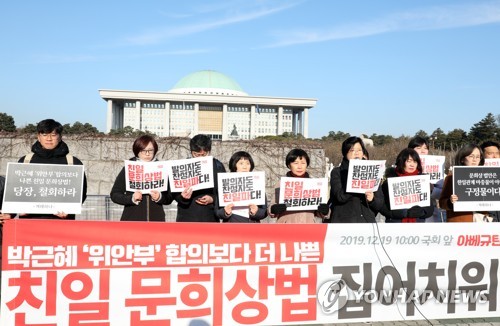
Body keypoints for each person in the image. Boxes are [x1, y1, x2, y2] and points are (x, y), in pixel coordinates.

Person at [17, 119, 87, 219]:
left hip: (62, 224)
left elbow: (81, 193)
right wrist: (17, 209)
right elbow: (15, 190)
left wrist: (69, 210)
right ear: (39, 137)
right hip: (29, 224)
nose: (49, 139)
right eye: (45, 135)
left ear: (60, 137)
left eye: (53, 135)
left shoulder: (73, 163)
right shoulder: (25, 161)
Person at [110, 135, 173, 222]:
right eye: (143, 150)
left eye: (150, 150)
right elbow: (114, 194)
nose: (147, 154)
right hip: (132, 220)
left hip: (156, 221)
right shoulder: (128, 168)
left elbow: (169, 197)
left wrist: (160, 197)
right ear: (137, 151)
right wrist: (131, 198)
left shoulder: (162, 168)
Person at [328, 136, 382, 223]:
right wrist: (354, 176)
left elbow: (379, 204)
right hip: (344, 223)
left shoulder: (372, 171)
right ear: (345, 153)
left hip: (366, 222)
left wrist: (372, 200)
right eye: (352, 150)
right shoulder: (337, 172)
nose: (356, 153)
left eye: (359, 150)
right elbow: (340, 197)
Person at [268, 148, 329, 223]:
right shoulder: (281, 184)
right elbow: (271, 208)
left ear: (307, 164)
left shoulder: (314, 184)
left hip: (308, 228)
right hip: (286, 229)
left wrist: (325, 210)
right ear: (289, 165)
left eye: (303, 163)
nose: (299, 167)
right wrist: (274, 209)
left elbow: (320, 213)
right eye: (295, 163)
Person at [175, 134, 226, 222]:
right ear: (191, 152)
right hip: (186, 217)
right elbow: (173, 194)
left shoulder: (217, 166)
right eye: (196, 154)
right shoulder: (183, 166)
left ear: (209, 151)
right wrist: (182, 197)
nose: (200, 158)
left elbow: (224, 192)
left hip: (209, 218)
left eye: (203, 155)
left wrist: (213, 199)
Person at [374, 148, 434, 223]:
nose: (412, 164)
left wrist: (422, 212)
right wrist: (403, 213)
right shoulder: (389, 182)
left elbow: (430, 208)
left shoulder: (422, 182)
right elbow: (382, 207)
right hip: (395, 225)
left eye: (415, 162)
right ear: (402, 161)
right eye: (409, 161)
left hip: (418, 226)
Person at [439, 144, 490, 222]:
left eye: (477, 157)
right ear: (462, 159)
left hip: (481, 222)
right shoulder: (451, 177)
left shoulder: (487, 177)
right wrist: (450, 202)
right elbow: (442, 203)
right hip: (460, 223)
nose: (474, 160)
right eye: (471, 156)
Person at [216, 151, 268, 223]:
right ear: (234, 165)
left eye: (247, 163)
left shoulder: (257, 184)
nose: (245, 167)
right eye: (241, 163)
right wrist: (225, 212)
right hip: (231, 226)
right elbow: (217, 211)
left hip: (251, 227)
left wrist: (256, 212)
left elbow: (264, 211)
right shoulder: (226, 183)